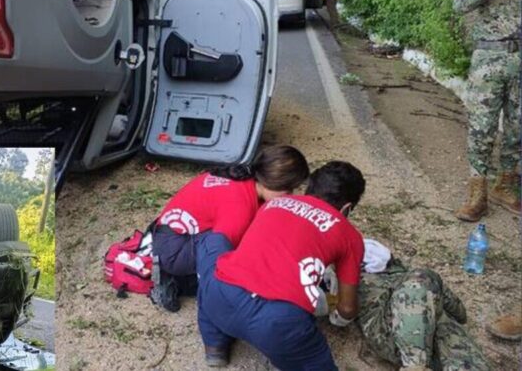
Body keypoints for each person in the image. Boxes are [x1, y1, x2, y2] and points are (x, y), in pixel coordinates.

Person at [196, 161, 366, 368]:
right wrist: (337, 313)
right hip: (277, 323)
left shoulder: (274, 203)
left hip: (219, 297)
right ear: (347, 208)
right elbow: (347, 308)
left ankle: (215, 346)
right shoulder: (350, 236)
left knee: (213, 253)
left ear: (308, 188)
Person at [149, 145, 310, 312]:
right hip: (175, 251)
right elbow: (219, 256)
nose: (291, 196)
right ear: (274, 183)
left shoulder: (244, 177)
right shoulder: (240, 208)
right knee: (247, 256)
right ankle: (178, 282)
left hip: (169, 234)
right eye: (289, 189)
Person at [452, 0, 521, 222]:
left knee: (518, 129)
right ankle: (477, 194)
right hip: (489, 61)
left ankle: (505, 186)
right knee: (482, 128)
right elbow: (460, 4)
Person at [351, 244, 490, 371]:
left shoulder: (400, 272)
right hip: (388, 325)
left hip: (431, 318)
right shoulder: (349, 271)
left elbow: (460, 314)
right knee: (420, 281)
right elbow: (460, 313)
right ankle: (415, 365)